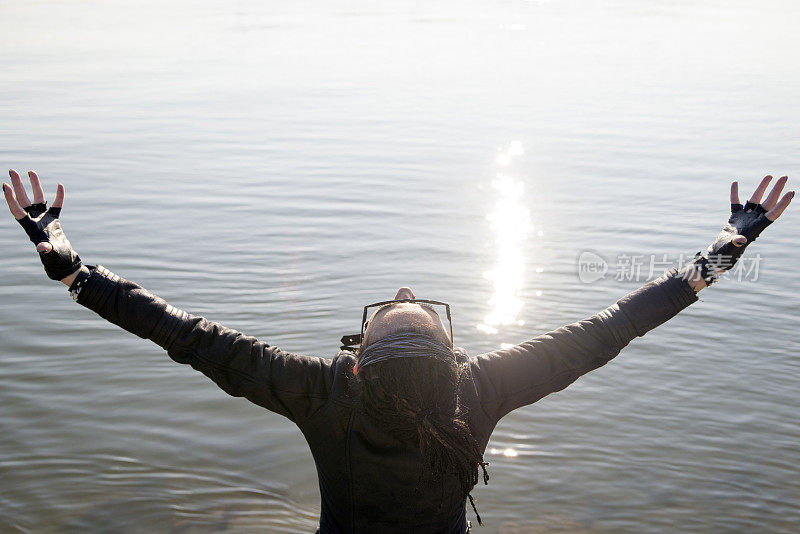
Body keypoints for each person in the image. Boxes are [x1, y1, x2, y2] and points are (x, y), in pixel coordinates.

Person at [2, 170, 794, 534]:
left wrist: (68, 264)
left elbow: (180, 332)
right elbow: (614, 325)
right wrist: (725, 247)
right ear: (452, 358)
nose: (404, 295)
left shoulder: (319, 390)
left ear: (358, 354)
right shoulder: (479, 391)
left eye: (396, 310)